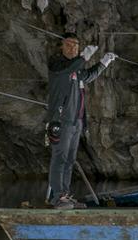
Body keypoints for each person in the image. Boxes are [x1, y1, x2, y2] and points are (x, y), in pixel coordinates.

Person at [44, 33, 116, 208]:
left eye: (76, 45)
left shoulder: (76, 69)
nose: (72, 48)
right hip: (61, 120)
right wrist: (85, 56)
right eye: (68, 45)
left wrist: (103, 63)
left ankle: (65, 195)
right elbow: (72, 67)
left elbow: (88, 75)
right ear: (61, 46)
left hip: (76, 121)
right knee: (59, 158)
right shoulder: (57, 64)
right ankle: (57, 197)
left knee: (69, 159)